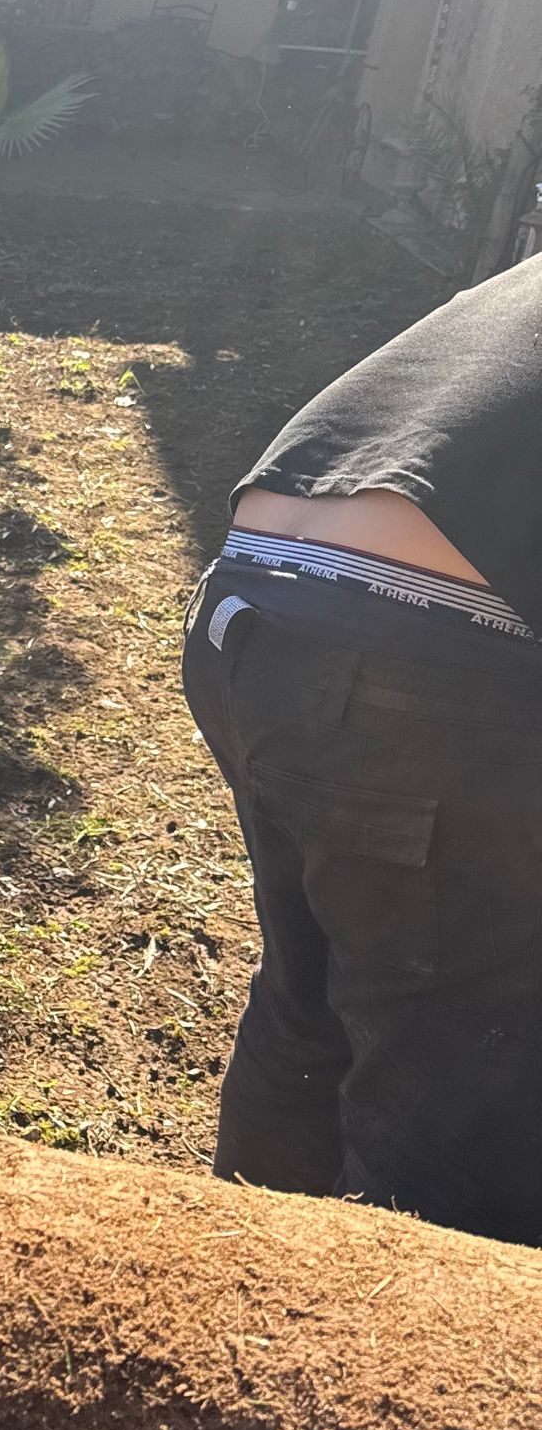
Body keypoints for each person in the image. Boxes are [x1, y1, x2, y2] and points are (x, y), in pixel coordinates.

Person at [183, 253, 542, 1244]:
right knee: (466, 1106)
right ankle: (397, 1372)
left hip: (248, 605)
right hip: (416, 655)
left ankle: (224, 1294)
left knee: (310, 1004)